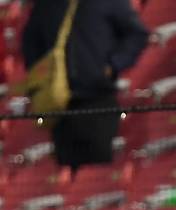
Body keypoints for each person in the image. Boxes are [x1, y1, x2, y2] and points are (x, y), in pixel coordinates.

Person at [21, 0, 148, 170]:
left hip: (99, 99)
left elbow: (136, 34)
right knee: (68, 169)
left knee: (99, 171)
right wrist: (42, 78)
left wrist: (113, 65)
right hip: (59, 103)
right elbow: (30, 42)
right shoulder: (47, 5)